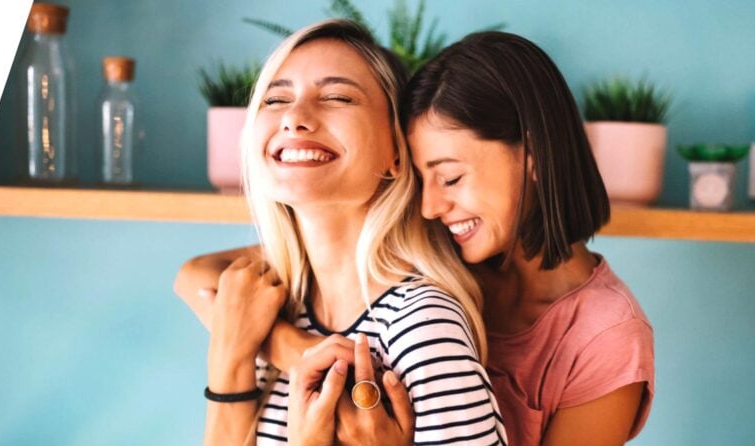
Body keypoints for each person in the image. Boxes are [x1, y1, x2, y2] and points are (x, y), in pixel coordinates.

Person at [178, 31, 654, 446]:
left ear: (532, 155)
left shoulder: (603, 335)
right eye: (420, 178)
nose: (428, 208)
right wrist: (291, 349)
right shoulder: (443, 247)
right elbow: (197, 275)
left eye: (450, 177)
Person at [194, 19, 505, 446]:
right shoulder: (274, 305)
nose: (294, 118)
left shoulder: (422, 327)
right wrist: (235, 359)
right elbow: (191, 275)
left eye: (338, 97)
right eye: (276, 99)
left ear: (397, 152)